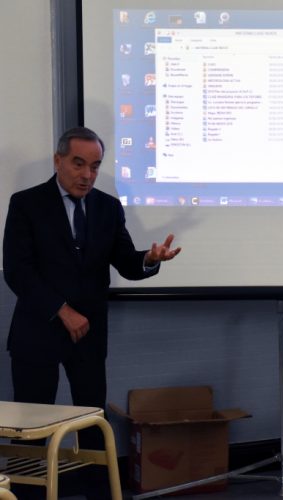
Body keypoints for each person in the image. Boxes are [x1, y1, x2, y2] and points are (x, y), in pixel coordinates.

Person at [2, 126, 181, 498]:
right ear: (58, 161)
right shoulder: (26, 203)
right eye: (78, 164)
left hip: (88, 335)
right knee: (31, 428)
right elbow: (18, 271)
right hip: (37, 332)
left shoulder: (107, 207)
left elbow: (126, 262)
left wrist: (150, 259)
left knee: (91, 422)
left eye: (95, 166)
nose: (87, 175)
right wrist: (62, 310)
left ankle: (99, 493)